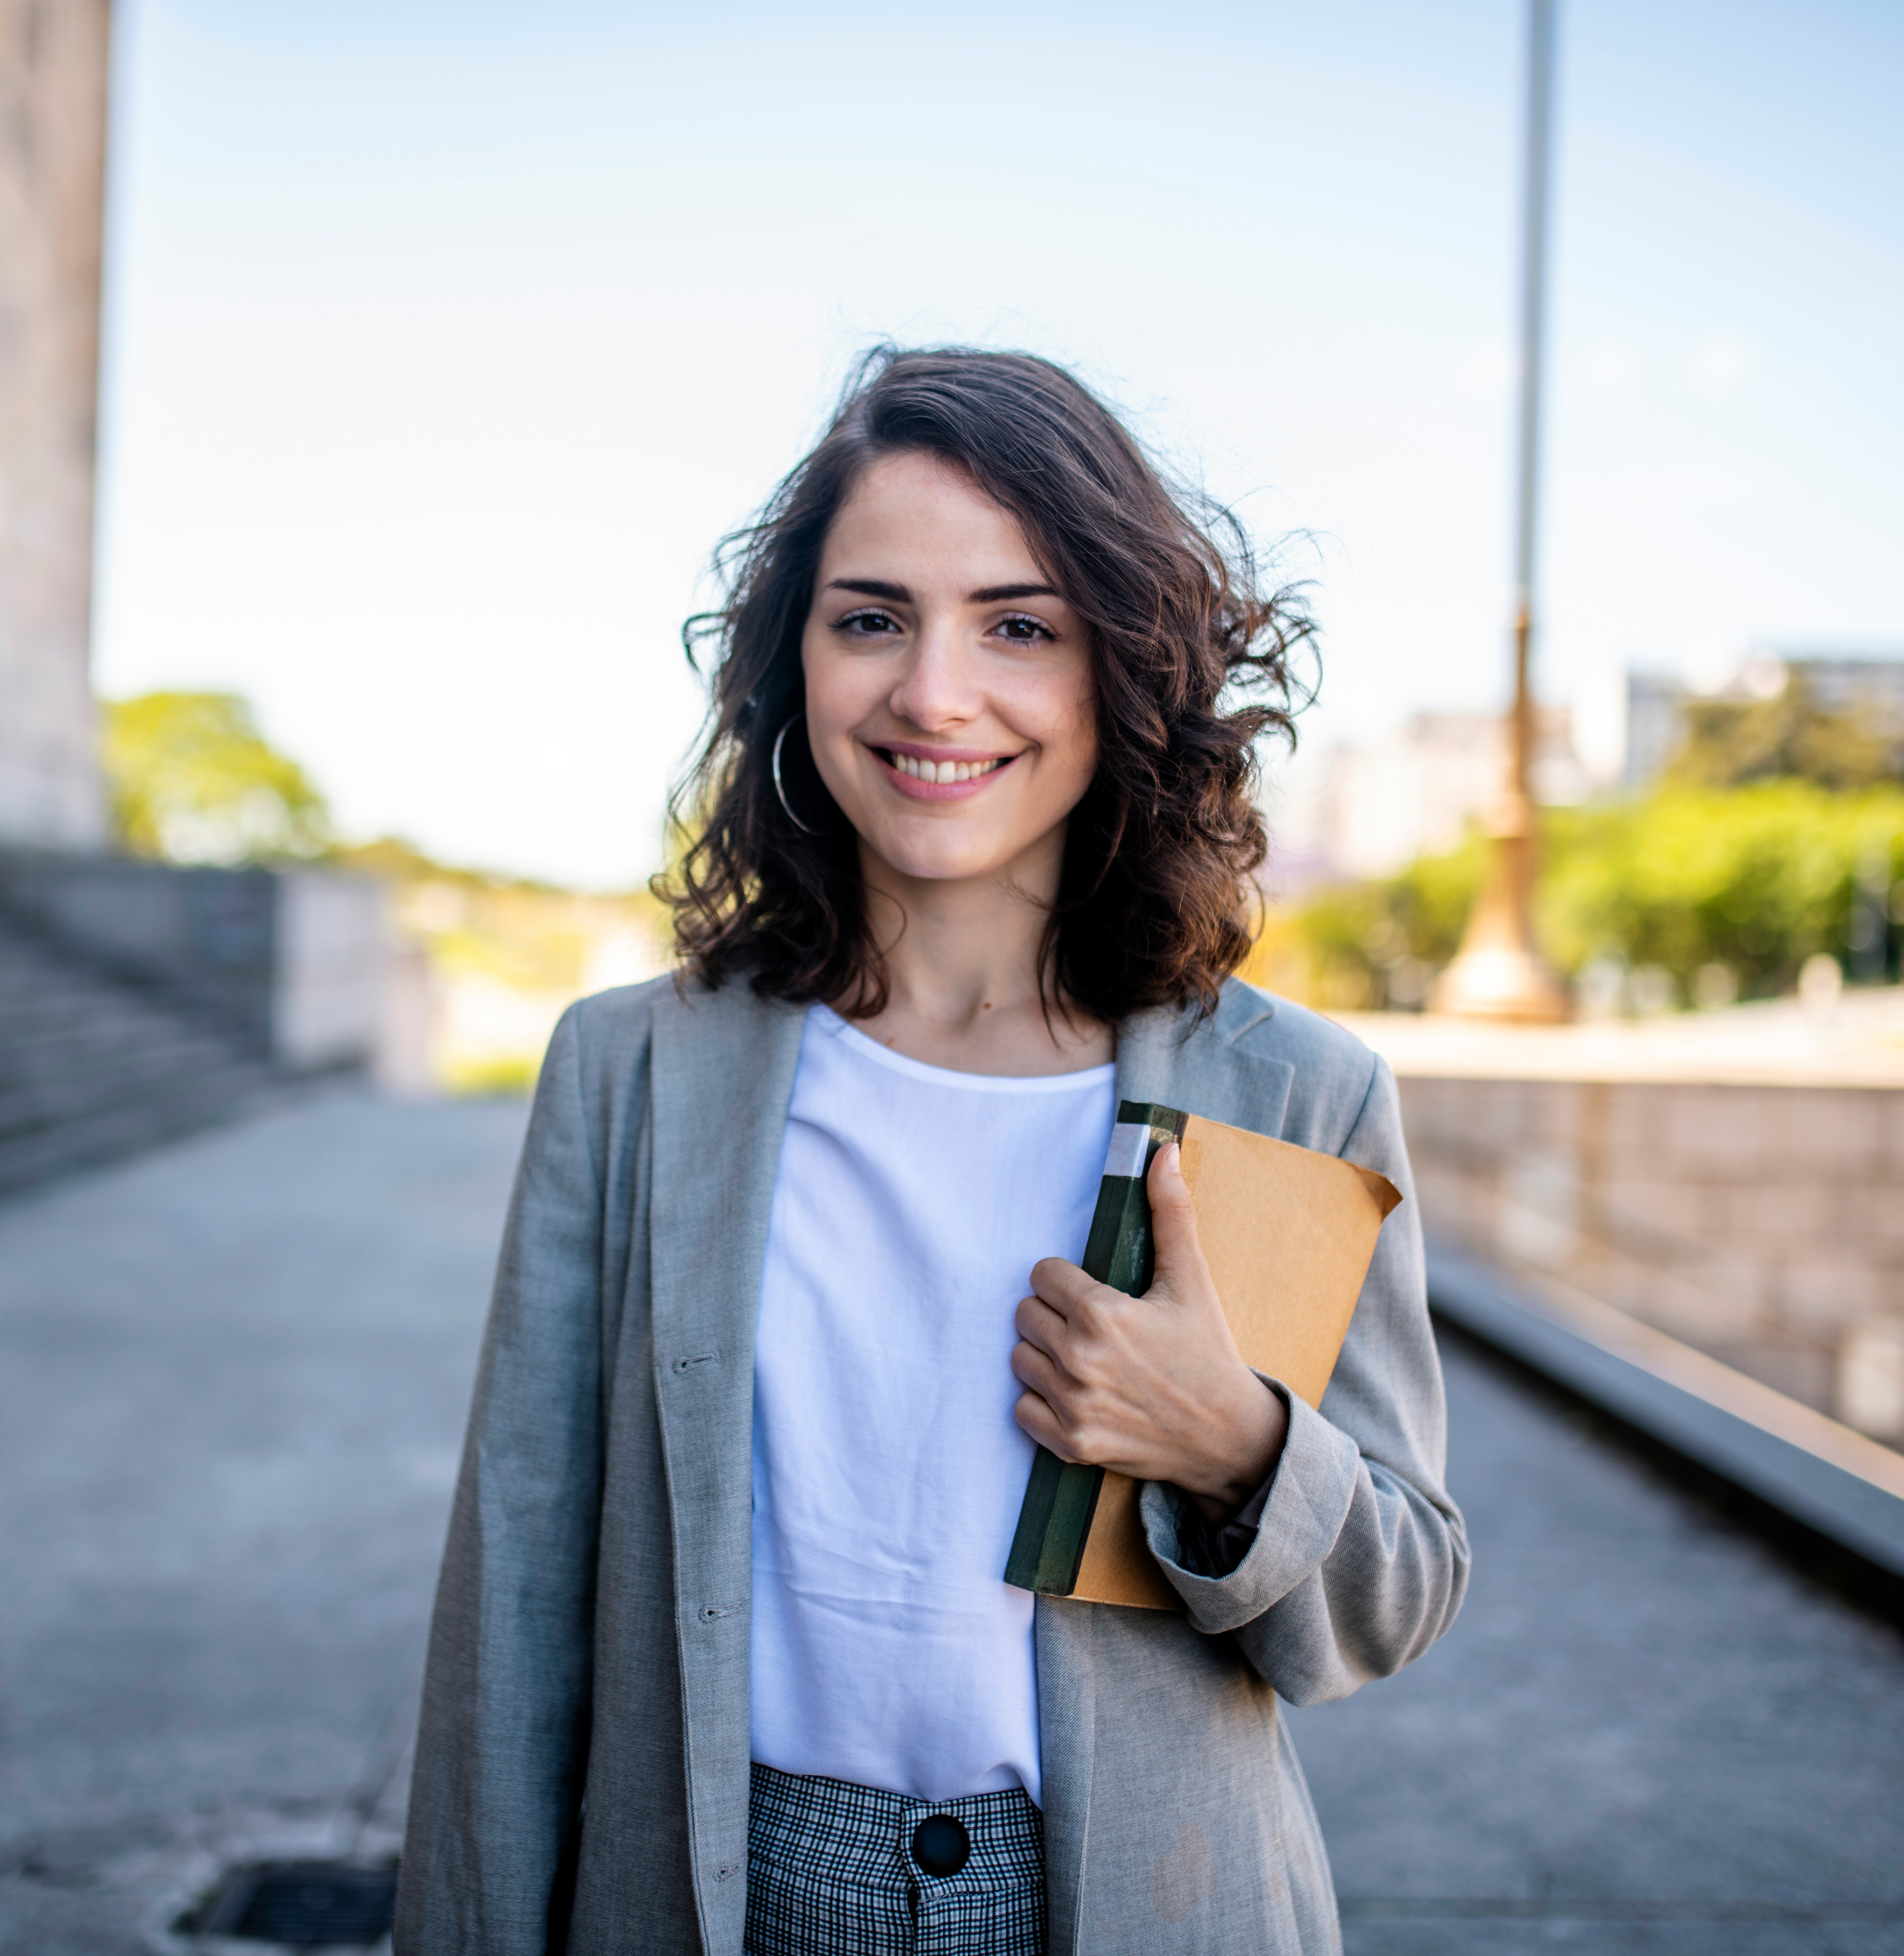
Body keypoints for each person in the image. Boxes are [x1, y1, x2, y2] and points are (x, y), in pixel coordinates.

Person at [397, 348, 1466, 1956]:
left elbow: (1383, 1604)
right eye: (872, 616)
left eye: (1020, 624)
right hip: (706, 1900)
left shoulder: (1292, 1089)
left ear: (1122, 667)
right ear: (792, 660)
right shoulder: (630, 1075)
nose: (935, 692)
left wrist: (1235, 1440)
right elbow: (514, 1608)